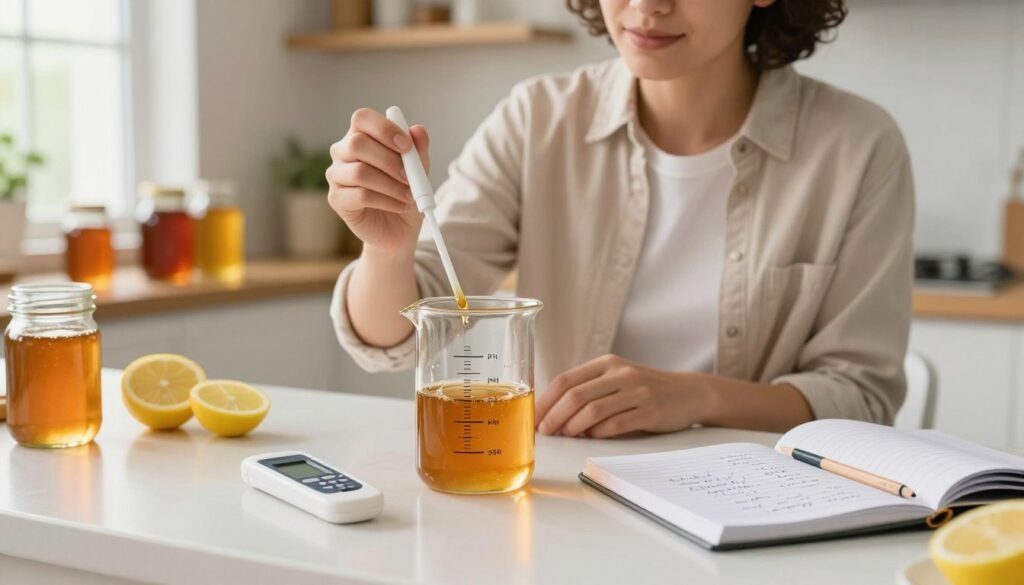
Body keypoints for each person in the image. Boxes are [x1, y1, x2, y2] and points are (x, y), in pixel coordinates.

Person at [325, 0, 914, 439]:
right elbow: (395, 340)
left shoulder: (857, 146)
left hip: (757, 512)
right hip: (565, 496)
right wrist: (388, 249)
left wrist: (696, 397)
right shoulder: (537, 118)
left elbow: (860, 398)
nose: (647, 7)